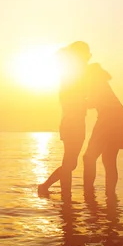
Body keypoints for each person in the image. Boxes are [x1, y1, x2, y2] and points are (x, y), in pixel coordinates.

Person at [38, 41, 91, 197]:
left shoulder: (76, 73)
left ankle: (49, 189)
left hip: (76, 122)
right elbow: (70, 100)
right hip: (72, 123)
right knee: (69, 163)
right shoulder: (73, 75)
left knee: (71, 163)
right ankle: (64, 196)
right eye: (85, 53)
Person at [82, 62, 123, 196]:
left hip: (109, 118)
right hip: (119, 117)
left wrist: (75, 102)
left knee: (89, 157)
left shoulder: (94, 82)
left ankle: (88, 193)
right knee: (109, 159)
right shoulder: (100, 83)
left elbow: (90, 103)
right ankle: (110, 195)